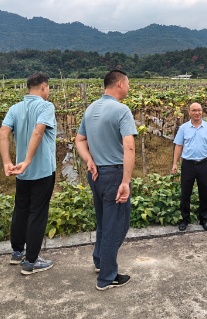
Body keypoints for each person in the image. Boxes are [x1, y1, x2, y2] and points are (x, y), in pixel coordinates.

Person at [75, 70, 137, 291]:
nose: (129, 87)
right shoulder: (122, 110)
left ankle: (100, 261)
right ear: (119, 84)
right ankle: (107, 278)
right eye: (128, 83)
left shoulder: (91, 108)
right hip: (115, 175)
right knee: (116, 225)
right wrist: (125, 181)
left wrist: (88, 159)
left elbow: (79, 139)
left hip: (97, 175)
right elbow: (129, 146)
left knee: (103, 221)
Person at [0, 72, 57, 276]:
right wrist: (29, 159)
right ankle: (31, 261)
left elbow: (3, 134)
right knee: (37, 213)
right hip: (41, 170)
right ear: (43, 87)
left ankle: (17, 252)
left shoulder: (15, 108)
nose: (48, 91)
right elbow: (38, 131)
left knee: (21, 208)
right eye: (48, 87)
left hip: (20, 171)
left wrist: (8, 162)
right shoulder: (46, 106)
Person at [172, 103, 207, 231]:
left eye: (199, 110)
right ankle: (185, 219)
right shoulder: (183, 128)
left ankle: (204, 219)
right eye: (194, 110)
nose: (197, 113)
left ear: (202, 112)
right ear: (189, 112)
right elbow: (178, 146)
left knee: (204, 192)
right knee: (185, 193)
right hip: (188, 164)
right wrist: (175, 163)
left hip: (203, 164)